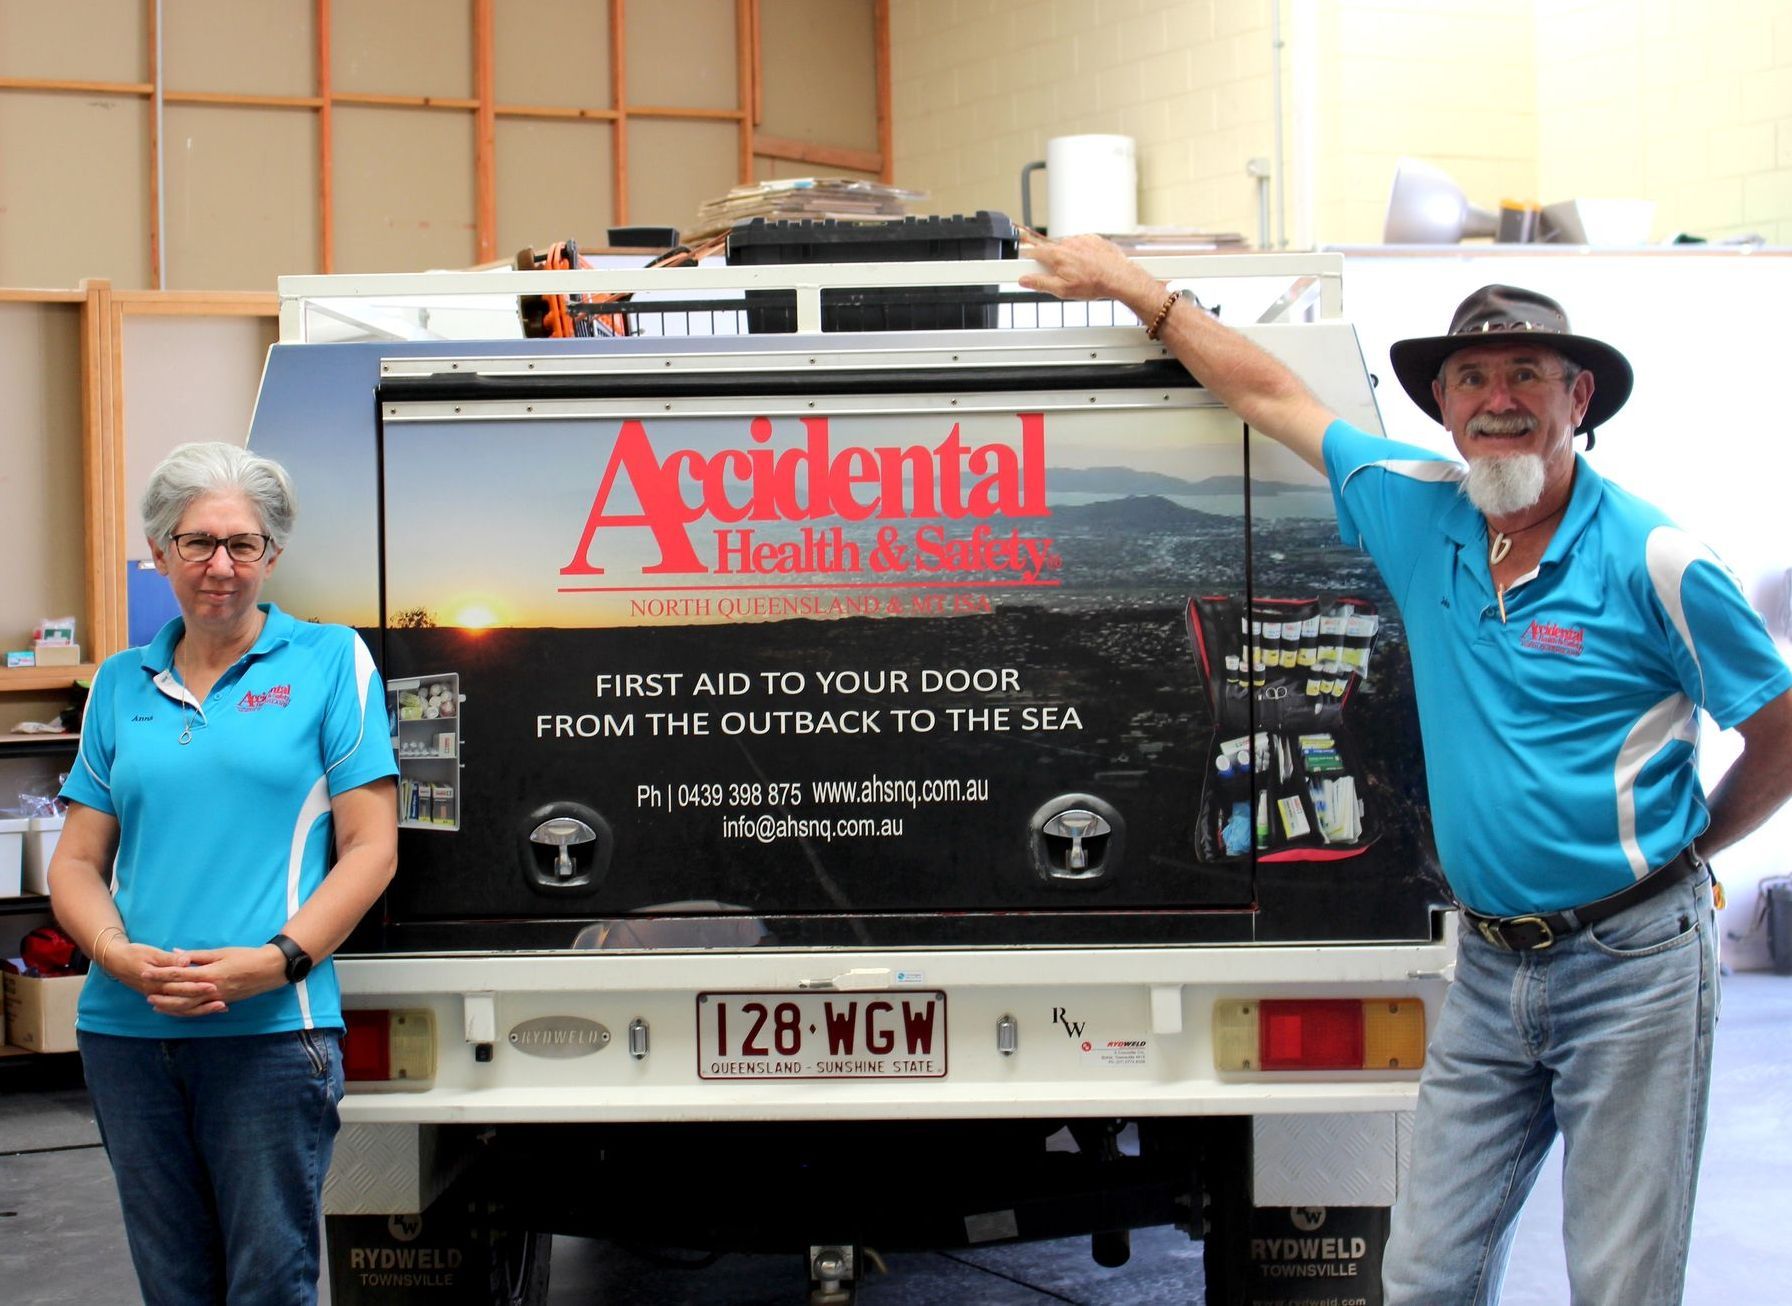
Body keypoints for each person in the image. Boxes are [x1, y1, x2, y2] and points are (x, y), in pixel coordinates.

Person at [1022, 238, 1792, 1304]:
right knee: (1427, 1274)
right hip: (1487, 966)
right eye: (1472, 376)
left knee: (1617, 1280)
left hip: (1631, 968)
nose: (1499, 399)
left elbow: (1782, 725)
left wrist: (1695, 847)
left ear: (1579, 396)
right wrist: (1135, 289)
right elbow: (1268, 391)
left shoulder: (1655, 559)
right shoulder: (1411, 504)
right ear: (1439, 402)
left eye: (1529, 374)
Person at [47, 442, 399, 1306]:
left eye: (244, 544)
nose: (221, 565)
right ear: (159, 551)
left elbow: (372, 848)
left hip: (272, 1037)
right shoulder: (119, 684)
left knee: (269, 1286)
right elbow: (78, 863)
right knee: (173, 1287)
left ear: (272, 555)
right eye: (198, 541)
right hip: (127, 1036)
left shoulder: (329, 662)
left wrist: (277, 961)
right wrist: (115, 956)